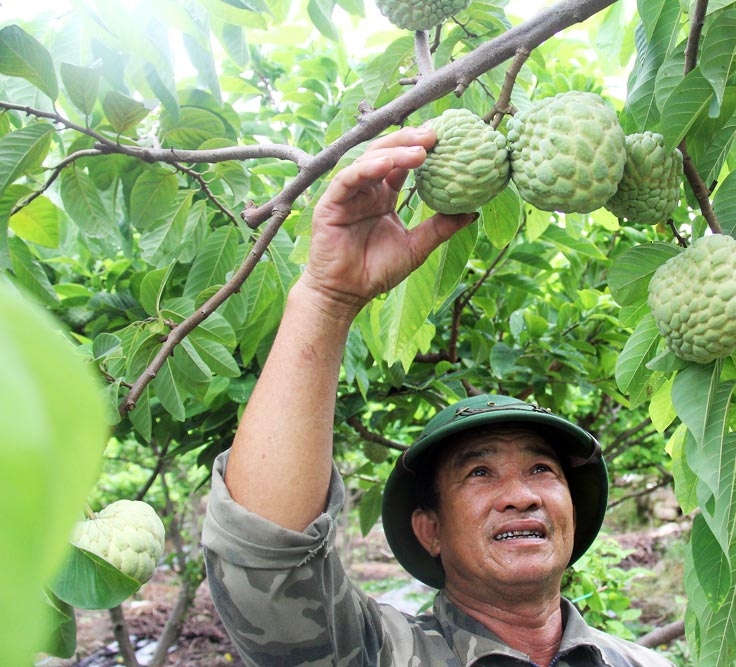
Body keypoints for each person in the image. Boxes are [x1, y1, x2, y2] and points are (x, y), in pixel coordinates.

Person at [201, 126, 676, 666]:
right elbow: (266, 566)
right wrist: (326, 299)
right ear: (430, 530)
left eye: (542, 469)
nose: (521, 495)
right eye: (480, 473)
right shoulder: (384, 655)